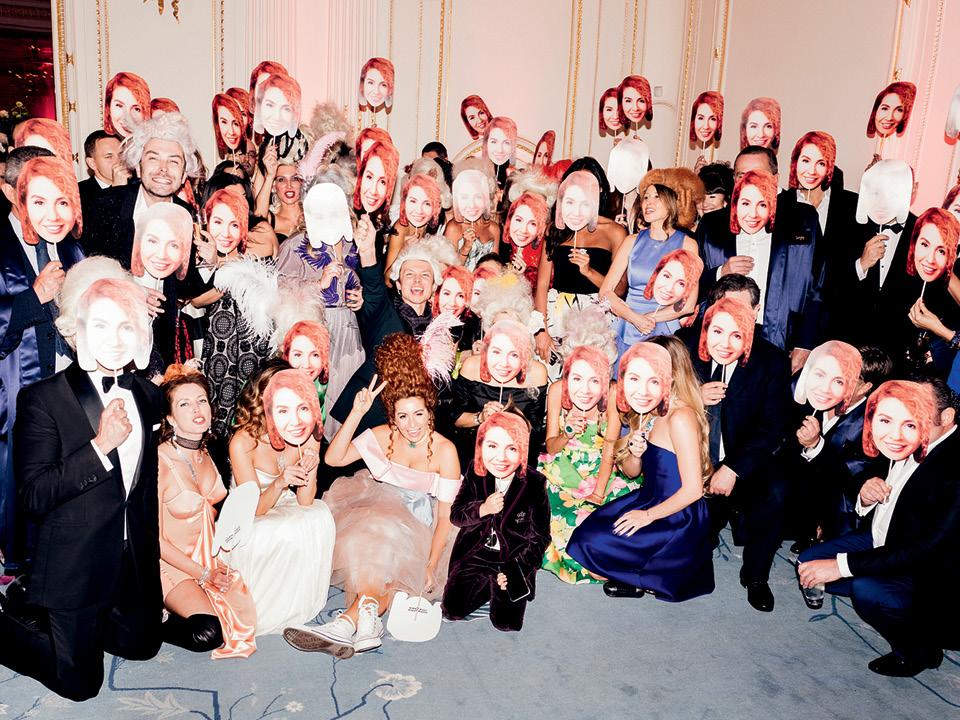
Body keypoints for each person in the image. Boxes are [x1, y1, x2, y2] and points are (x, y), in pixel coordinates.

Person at [0, 276, 162, 701]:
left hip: (130, 557)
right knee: (80, 685)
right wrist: (99, 447)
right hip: (75, 561)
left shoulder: (148, 395)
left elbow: (144, 489)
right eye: (101, 325)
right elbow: (34, 495)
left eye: (126, 326)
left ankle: (79, 624)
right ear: (79, 331)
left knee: (143, 647)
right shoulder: (43, 399)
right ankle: (13, 619)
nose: (114, 339)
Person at [285, 333, 460, 657]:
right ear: (392, 415)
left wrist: (432, 562)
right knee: (378, 565)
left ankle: (344, 624)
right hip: (374, 509)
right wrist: (356, 412)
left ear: (430, 412)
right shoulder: (382, 434)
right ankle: (364, 624)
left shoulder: (445, 451)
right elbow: (333, 459)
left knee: (389, 565)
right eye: (403, 416)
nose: (411, 425)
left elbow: (446, 516)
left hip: (420, 525)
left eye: (418, 414)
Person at [798, 378, 960, 677]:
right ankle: (869, 575)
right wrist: (865, 489)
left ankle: (919, 651)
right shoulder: (907, 433)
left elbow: (925, 549)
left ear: (947, 416)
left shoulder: (954, 466)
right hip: (884, 538)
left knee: (867, 591)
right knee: (808, 563)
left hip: (931, 575)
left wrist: (842, 566)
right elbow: (860, 470)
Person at [567, 341, 714, 601]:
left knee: (593, 550)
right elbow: (632, 473)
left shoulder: (681, 417)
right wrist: (635, 454)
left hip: (678, 514)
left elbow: (693, 490)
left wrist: (647, 516)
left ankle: (643, 576)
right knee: (584, 539)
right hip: (648, 497)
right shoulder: (649, 409)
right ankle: (634, 572)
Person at [1, 150, 86, 570]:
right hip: (17, 386)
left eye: (60, 199)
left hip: (68, 385)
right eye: (38, 198)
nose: (51, 212)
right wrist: (34, 297)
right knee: (21, 480)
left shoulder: (71, 246)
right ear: (14, 194)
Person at [686, 295, 790, 611]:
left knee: (776, 492)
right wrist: (694, 395)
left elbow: (773, 428)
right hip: (695, 459)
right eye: (718, 332)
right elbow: (660, 398)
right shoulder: (686, 347)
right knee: (691, 548)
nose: (725, 344)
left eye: (737, 335)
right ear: (706, 328)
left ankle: (756, 575)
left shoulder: (771, 361)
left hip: (748, 461)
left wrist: (733, 468)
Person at [226, 365, 336, 635]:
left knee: (318, 516)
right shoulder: (243, 441)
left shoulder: (304, 431)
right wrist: (280, 481)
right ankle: (265, 610)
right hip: (248, 510)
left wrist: (311, 464)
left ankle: (295, 606)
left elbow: (305, 501)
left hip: (285, 500)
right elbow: (254, 510)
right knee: (271, 530)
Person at [156, 365, 257, 658]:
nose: (197, 409)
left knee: (254, 610)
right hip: (168, 563)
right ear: (169, 417)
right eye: (184, 404)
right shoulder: (159, 460)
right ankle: (151, 618)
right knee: (209, 633)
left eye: (201, 400)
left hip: (208, 556)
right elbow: (154, 541)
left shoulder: (212, 450)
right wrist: (202, 574)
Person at [697, 146, 823, 368]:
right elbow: (692, 283)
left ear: (775, 178)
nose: (749, 181)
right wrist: (720, 272)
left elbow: (818, 285)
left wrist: (805, 343)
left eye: (758, 174)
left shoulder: (802, 218)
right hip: (722, 336)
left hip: (780, 337)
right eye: (741, 176)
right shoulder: (712, 223)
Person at [539, 346, 641, 584]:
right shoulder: (557, 390)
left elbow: (609, 448)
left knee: (616, 519)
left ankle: (613, 565)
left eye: (594, 380)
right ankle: (590, 565)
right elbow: (551, 447)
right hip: (561, 469)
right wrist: (567, 433)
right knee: (558, 521)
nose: (584, 389)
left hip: (602, 468)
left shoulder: (612, 393)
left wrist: (598, 492)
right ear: (567, 378)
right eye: (577, 379)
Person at [442, 410, 550, 631]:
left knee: (506, 624)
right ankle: (487, 583)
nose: (501, 457)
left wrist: (517, 568)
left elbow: (540, 538)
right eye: (492, 446)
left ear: (523, 451)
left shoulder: (534, 483)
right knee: (452, 610)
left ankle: (497, 584)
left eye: (512, 449)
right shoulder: (476, 471)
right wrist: (482, 508)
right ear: (481, 446)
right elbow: (456, 515)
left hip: (513, 558)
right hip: (477, 553)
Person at [790, 345, 890, 542]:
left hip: (834, 498)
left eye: (846, 379)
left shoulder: (873, 426)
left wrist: (816, 445)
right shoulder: (815, 390)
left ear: (865, 387)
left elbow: (848, 475)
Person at [535, 159, 627, 367]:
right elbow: (542, 284)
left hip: (596, 321)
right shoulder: (555, 229)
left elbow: (620, 289)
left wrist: (589, 271)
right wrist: (541, 330)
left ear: (599, 190)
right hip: (557, 317)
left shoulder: (614, 232)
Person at [80, 112, 198, 267]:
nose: (163, 168)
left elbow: (185, 276)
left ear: (184, 175)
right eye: (153, 159)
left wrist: (209, 264)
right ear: (138, 168)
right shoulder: (106, 206)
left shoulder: (186, 214)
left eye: (173, 161)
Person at [603, 183, 701, 354]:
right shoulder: (631, 241)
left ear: (670, 203)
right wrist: (634, 318)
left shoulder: (687, 244)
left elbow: (688, 304)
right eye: (646, 197)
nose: (649, 202)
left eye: (656, 197)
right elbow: (605, 292)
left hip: (665, 327)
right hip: (628, 325)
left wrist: (650, 318)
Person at [451, 317, 549, 466]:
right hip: (474, 454)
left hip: (516, 457)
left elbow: (536, 430)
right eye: (497, 352)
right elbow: (454, 419)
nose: (504, 363)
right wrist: (481, 417)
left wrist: (516, 419)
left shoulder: (537, 373)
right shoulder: (471, 366)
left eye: (514, 354)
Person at [444, 166, 500, 270]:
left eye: (478, 197)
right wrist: (465, 248)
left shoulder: (493, 228)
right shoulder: (453, 228)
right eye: (465, 197)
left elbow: (496, 269)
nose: (472, 205)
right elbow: (448, 271)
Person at [79, 130, 124, 211]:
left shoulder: (137, 185)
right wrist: (117, 190)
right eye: (109, 157)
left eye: (121, 155)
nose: (119, 161)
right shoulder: (78, 193)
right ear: (92, 163)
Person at [103, 71, 151, 138]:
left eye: (136, 109)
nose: (127, 118)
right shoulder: (98, 141)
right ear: (109, 106)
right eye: (119, 106)